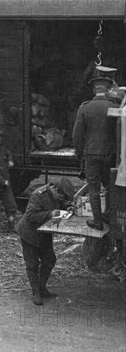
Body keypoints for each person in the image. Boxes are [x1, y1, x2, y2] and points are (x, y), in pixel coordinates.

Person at [17, 178, 75, 305]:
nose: (60, 199)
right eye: (60, 196)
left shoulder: (56, 194)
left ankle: (42, 288)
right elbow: (30, 216)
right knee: (32, 264)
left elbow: (61, 204)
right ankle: (36, 292)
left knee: (49, 260)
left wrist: (68, 207)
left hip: (44, 232)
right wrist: (51, 214)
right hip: (29, 233)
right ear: (54, 189)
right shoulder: (38, 196)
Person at [72, 66, 117, 230]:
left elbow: (77, 135)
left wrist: (79, 153)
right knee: (109, 185)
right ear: (108, 89)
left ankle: (97, 220)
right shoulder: (114, 106)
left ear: (94, 89)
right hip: (109, 153)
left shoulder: (85, 107)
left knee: (93, 187)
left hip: (91, 153)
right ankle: (108, 216)